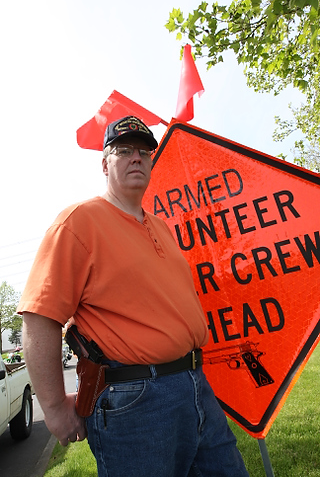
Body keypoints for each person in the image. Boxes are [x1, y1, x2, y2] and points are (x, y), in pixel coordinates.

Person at [18, 116, 249, 477]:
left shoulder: (159, 226)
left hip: (194, 385)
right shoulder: (78, 222)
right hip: (135, 401)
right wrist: (52, 406)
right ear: (105, 163)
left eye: (144, 152)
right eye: (124, 150)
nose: (136, 158)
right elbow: (39, 317)